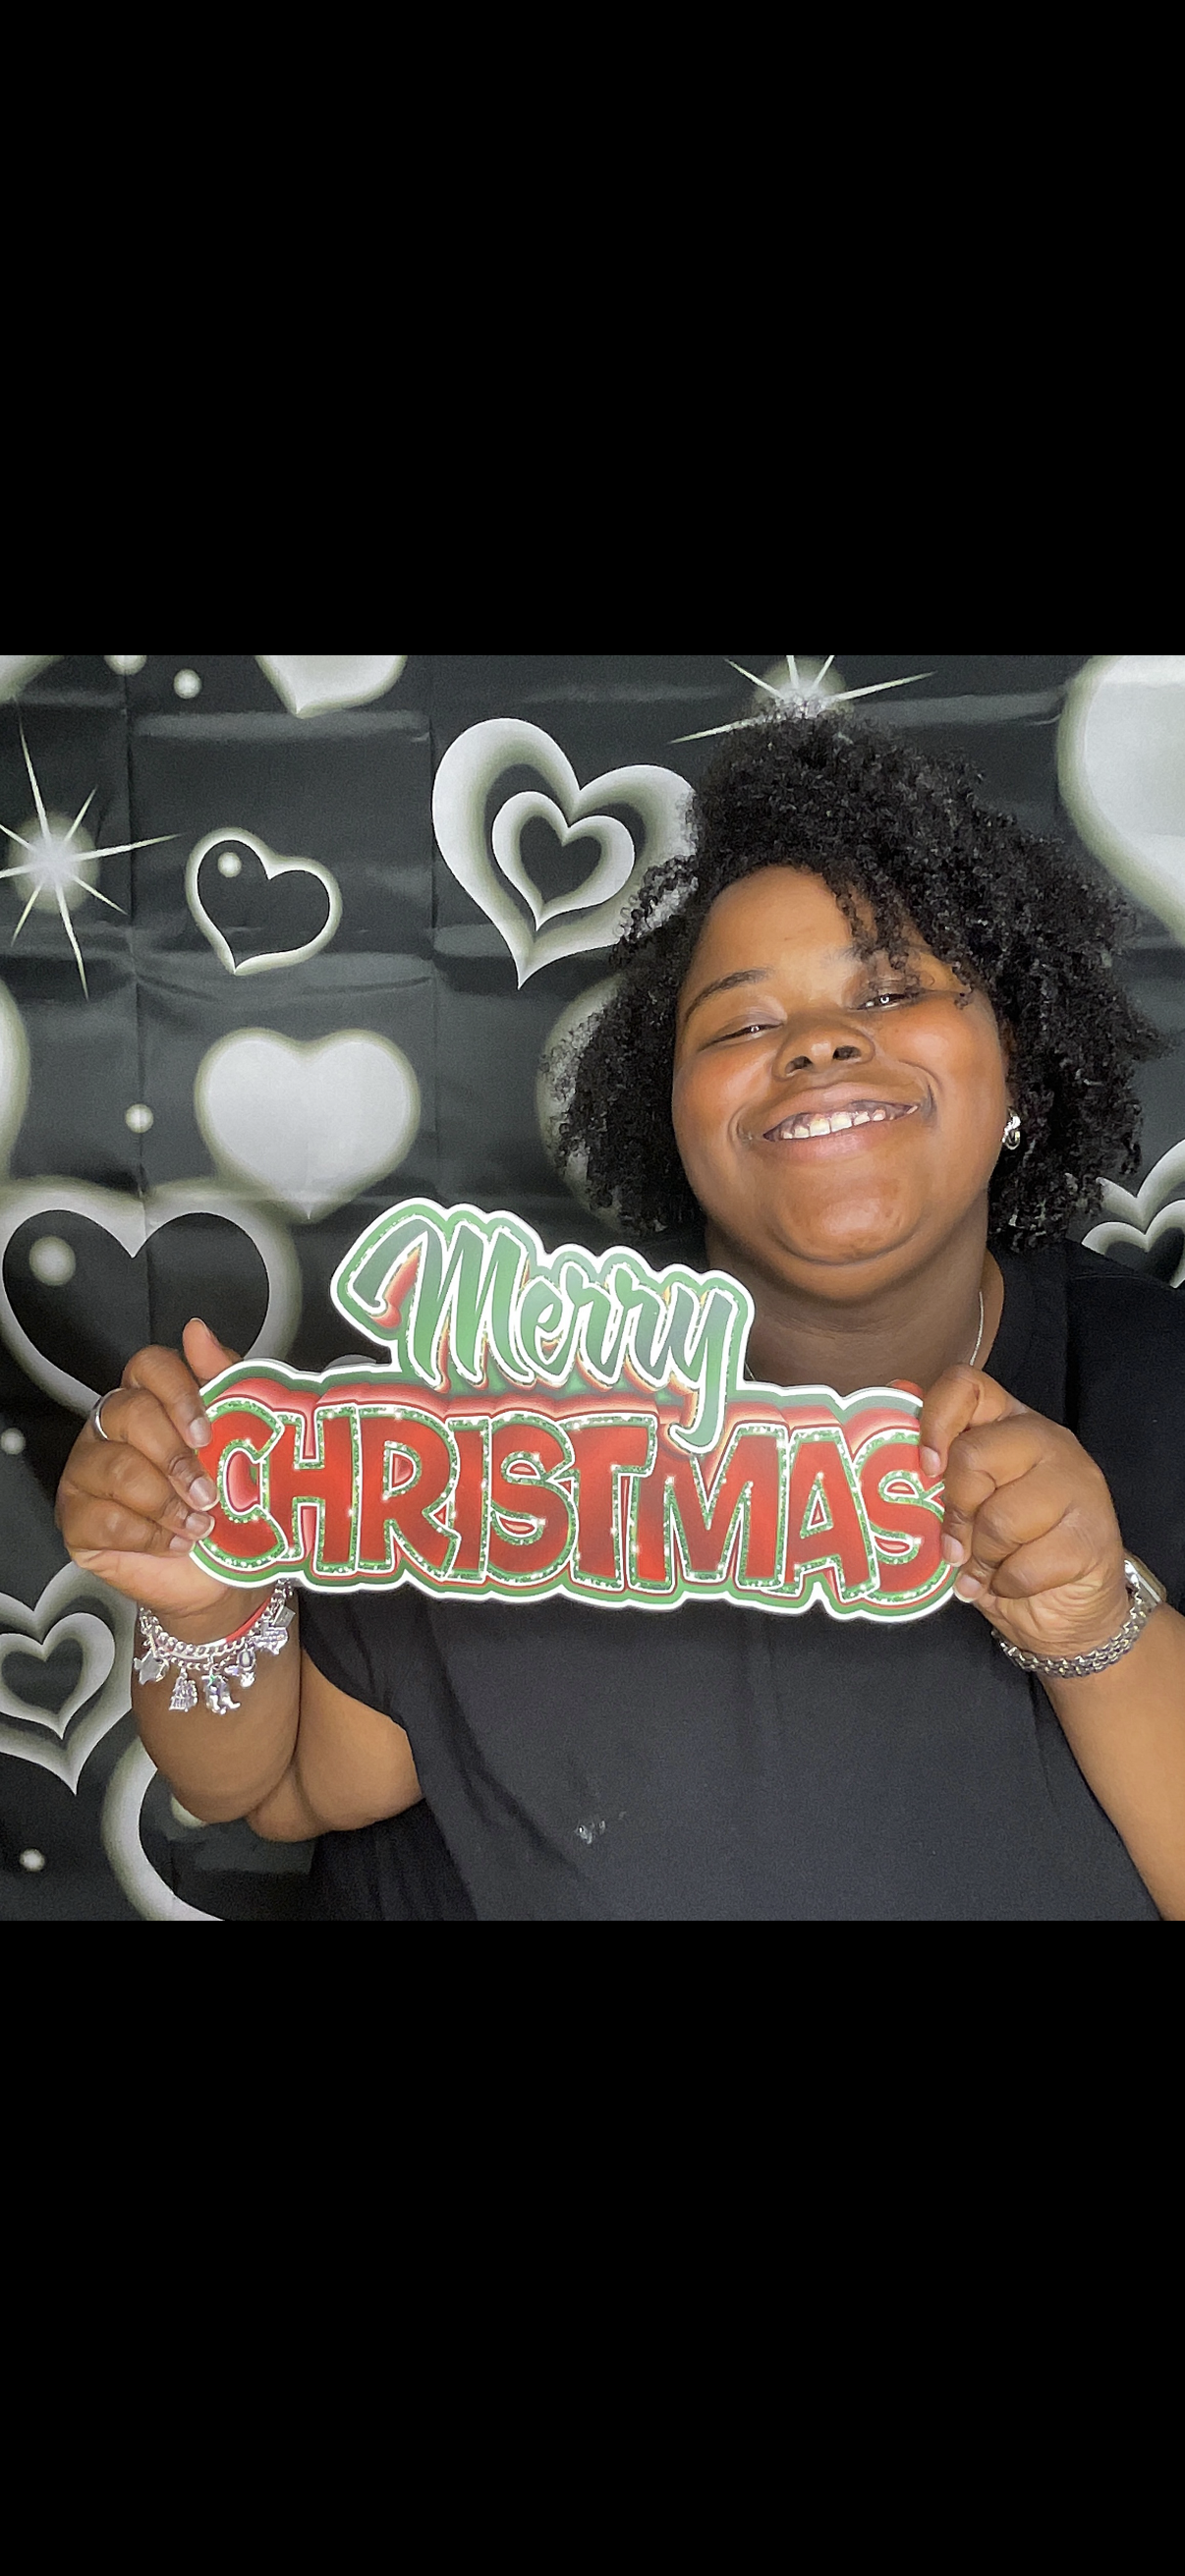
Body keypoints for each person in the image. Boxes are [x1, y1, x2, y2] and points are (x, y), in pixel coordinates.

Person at [54, 711, 1185, 1920]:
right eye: (743, 1024)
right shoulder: (514, 1419)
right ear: (678, 1120)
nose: (815, 1047)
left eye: (894, 988)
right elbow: (277, 1787)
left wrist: (1088, 1624)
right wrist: (205, 1603)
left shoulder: (1152, 1389)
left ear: (1014, 1057)